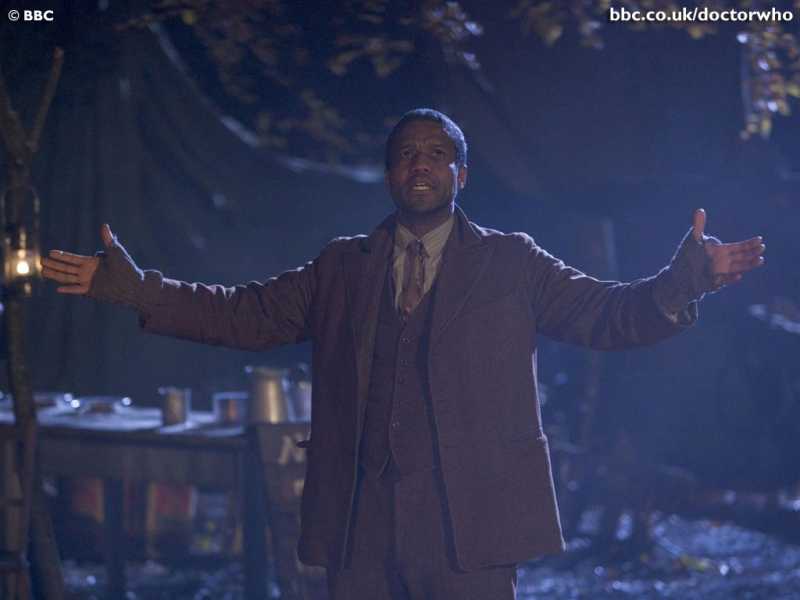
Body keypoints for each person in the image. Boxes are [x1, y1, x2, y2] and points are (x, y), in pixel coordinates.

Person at [42, 109, 765, 599]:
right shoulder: (342, 266)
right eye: (406, 154)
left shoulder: (512, 262)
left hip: (470, 526)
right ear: (390, 175)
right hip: (361, 526)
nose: (420, 164)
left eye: (437, 154)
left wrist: (683, 281)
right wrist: (137, 289)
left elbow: (609, 314)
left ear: (462, 175)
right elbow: (242, 313)